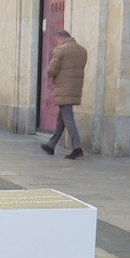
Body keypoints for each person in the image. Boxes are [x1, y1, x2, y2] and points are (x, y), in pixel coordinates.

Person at [39, 29, 88, 160]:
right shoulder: (82, 50)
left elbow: (51, 69)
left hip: (63, 89)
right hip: (74, 89)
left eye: (58, 40)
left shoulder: (60, 50)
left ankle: (77, 148)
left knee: (67, 117)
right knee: (61, 119)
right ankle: (51, 145)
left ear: (60, 39)